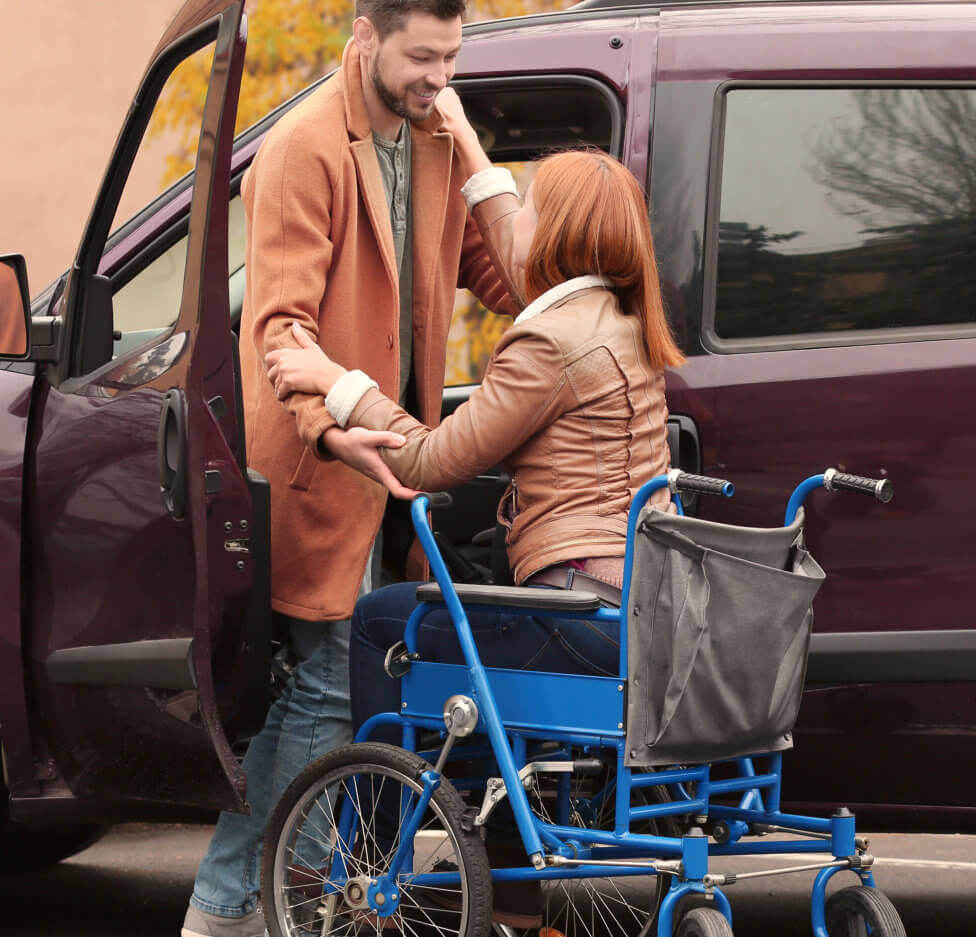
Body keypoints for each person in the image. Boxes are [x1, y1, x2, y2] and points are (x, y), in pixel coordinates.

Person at [265, 148, 686, 933]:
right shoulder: (625, 323)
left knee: (387, 619)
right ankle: (516, 899)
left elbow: (426, 460)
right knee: (486, 671)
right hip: (642, 616)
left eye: (525, 208)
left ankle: (371, 854)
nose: (510, 223)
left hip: (578, 620)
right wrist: (468, 145)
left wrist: (337, 380)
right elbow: (527, 263)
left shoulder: (548, 346)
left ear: (554, 232)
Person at [181, 1, 526, 934]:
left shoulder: (438, 141)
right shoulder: (303, 147)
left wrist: (484, 166)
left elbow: (518, 283)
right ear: (366, 38)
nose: (441, 78)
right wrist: (338, 429)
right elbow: (278, 328)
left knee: (338, 697)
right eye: (423, 57)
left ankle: (249, 907)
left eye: (453, 57)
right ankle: (234, 908)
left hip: (397, 474)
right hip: (322, 469)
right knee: (329, 693)